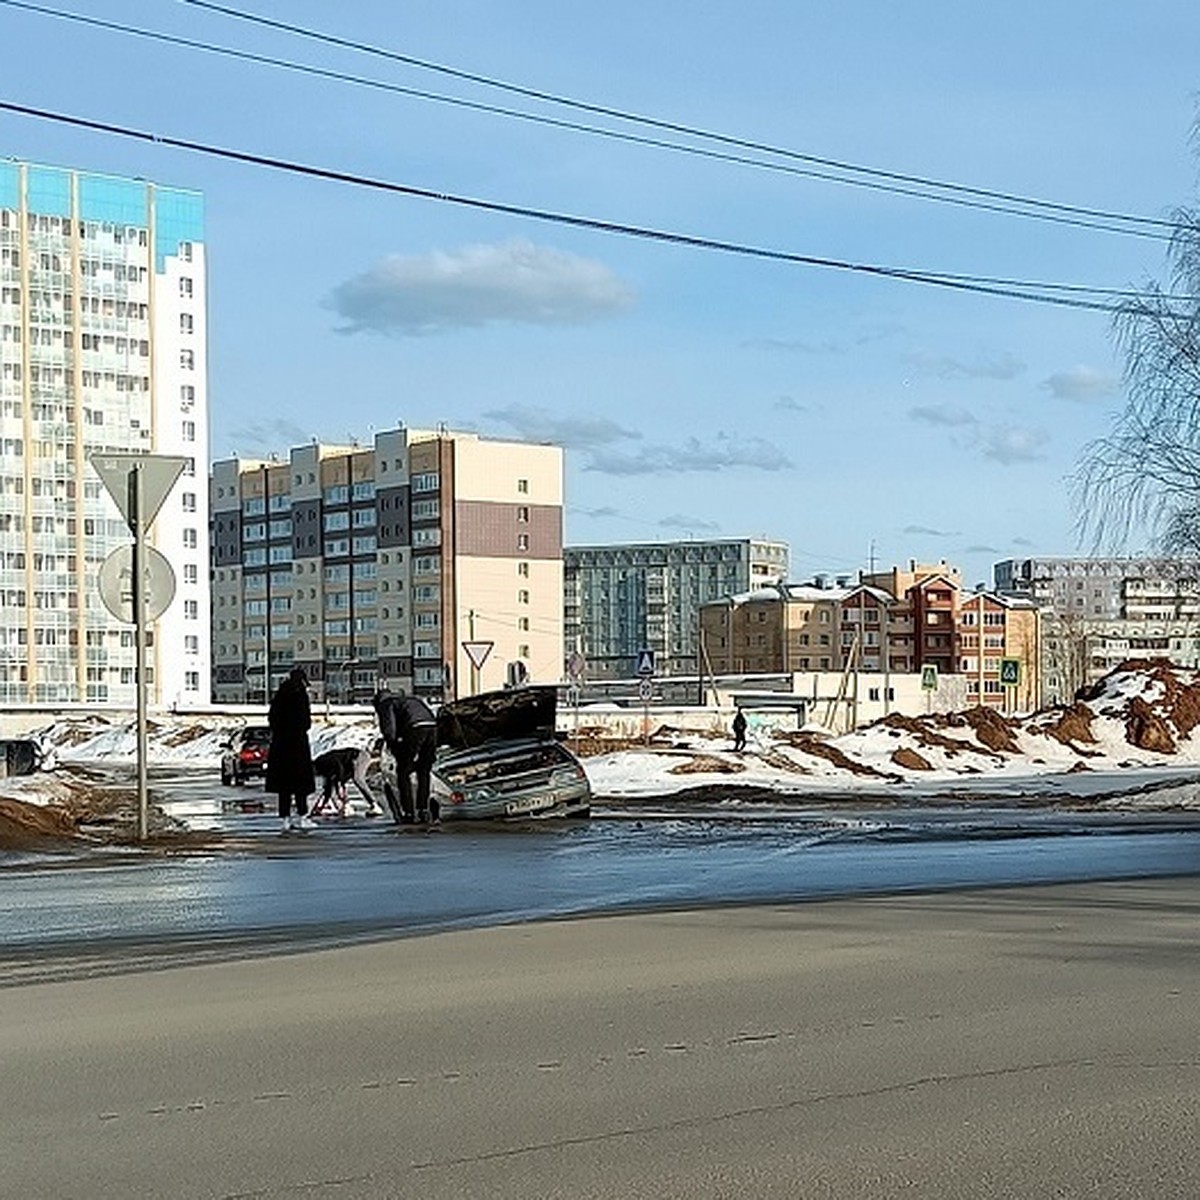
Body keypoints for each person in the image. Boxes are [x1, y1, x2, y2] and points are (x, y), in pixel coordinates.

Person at [373, 686, 439, 824]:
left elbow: (389, 729)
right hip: (432, 726)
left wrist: (395, 748)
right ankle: (423, 809)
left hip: (415, 727)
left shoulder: (387, 704)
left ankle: (408, 811)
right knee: (424, 770)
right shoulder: (408, 699)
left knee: (403, 771)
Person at [265, 665, 317, 832]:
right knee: (300, 784)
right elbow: (306, 722)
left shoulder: (279, 695)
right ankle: (303, 817)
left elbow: (271, 718)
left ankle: (285, 820)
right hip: (297, 744)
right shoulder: (300, 695)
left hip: (280, 746)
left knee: (284, 786)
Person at [311, 743, 383, 818]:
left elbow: (338, 765)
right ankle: (346, 806)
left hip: (359, 756)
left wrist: (339, 782)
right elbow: (328, 789)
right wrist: (320, 807)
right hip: (348, 764)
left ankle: (375, 805)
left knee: (357, 779)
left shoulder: (322, 761)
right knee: (335, 784)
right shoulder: (322, 771)